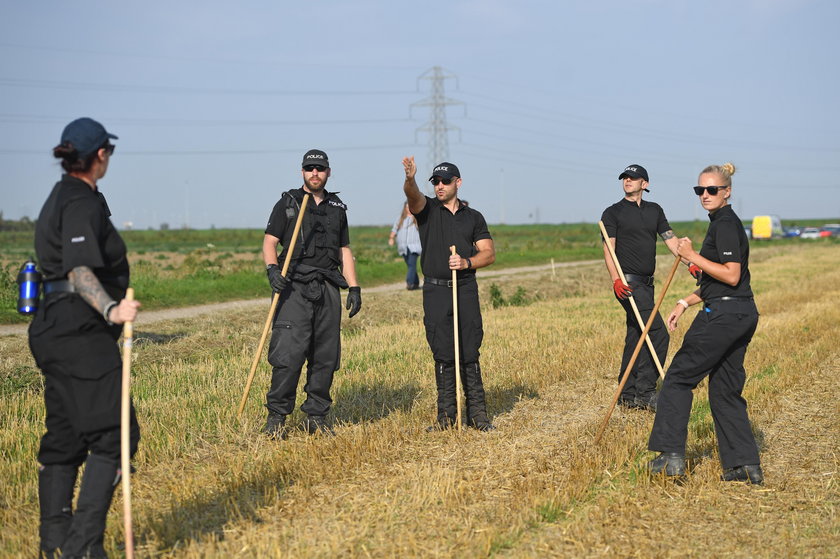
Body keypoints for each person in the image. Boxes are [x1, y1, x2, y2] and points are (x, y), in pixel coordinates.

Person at [29, 118, 141, 558]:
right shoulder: (80, 200)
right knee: (116, 435)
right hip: (79, 328)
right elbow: (78, 268)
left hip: (52, 327)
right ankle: (80, 549)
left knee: (66, 437)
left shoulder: (58, 195)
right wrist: (112, 308)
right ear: (100, 155)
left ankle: (54, 544)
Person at [648, 162, 763, 484]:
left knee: (678, 379)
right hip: (741, 311)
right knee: (725, 391)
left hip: (724, 317)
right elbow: (724, 284)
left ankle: (670, 456)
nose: (705, 195)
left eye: (712, 189)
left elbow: (731, 273)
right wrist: (685, 302)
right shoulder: (724, 222)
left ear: (727, 192)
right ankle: (744, 466)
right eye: (700, 190)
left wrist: (691, 254)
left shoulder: (725, 223)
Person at [262, 149, 361, 439]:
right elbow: (270, 242)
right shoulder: (288, 204)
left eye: (319, 169)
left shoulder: (337, 207)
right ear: (302, 172)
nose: (314, 173)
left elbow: (344, 250)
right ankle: (277, 417)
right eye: (309, 169)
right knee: (288, 355)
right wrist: (272, 271)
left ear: (328, 172)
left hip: (328, 286)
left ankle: (316, 416)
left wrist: (353, 286)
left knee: (326, 356)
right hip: (293, 287)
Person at [401, 156, 496, 431]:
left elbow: (488, 253)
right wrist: (410, 179)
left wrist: (467, 262)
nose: (440, 186)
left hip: (465, 288)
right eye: (436, 182)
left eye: (445, 181)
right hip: (435, 290)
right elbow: (413, 196)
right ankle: (446, 417)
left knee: (469, 350)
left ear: (458, 183)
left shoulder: (473, 217)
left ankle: (478, 415)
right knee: (443, 352)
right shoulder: (427, 210)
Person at [600, 164, 686, 411]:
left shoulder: (655, 211)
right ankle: (645, 392)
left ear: (644, 184)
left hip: (648, 284)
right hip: (627, 285)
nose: (628, 180)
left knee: (636, 334)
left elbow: (671, 240)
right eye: (625, 177)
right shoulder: (612, 212)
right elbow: (609, 249)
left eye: (633, 178)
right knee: (657, 333)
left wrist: (691, 263)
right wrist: (616, 280)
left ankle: (627, 393)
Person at [388, 201, 422, 290]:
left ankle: (409, 283)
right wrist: (391, 238)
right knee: (410, 265)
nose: (408, 209)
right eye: (407, 207)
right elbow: (394, 230)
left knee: (411, 264)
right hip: (403, 247)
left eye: (410, 207)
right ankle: (416, 283)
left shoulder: (417, 218)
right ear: (405, 208)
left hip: (414, 246)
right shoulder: (400, 219)